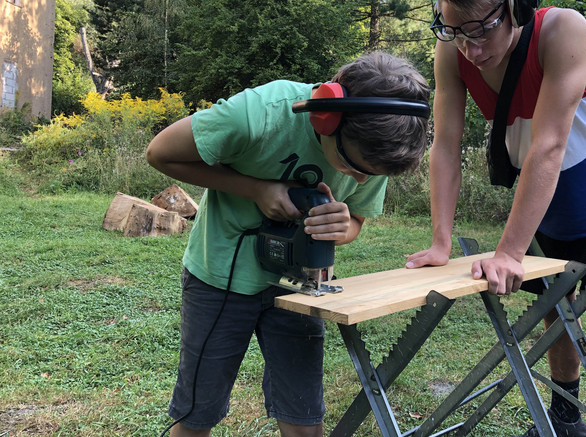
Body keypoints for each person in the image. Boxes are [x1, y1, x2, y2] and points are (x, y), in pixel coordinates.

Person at [404, 0, 586, 437]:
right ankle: (564, 422)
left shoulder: (563, 29)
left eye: (481, 30)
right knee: (553, 315)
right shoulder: (452, 51)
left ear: (517, 4)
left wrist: (509, 252)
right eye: (454, 30)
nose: (470, 47)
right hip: (538, 208)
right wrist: (440, 242)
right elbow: (445, 146)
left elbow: (550, 145)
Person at [146, 51, 430, 437]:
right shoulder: (258, 113)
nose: (360, 181)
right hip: (220, 277)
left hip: (302, 285)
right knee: (198, 414)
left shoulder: (376, 146)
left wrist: (342, 226)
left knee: (304, 414)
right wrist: (257, 189)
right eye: (353, 167)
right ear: (327, 116)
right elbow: (160, 153)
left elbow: (356, 219)